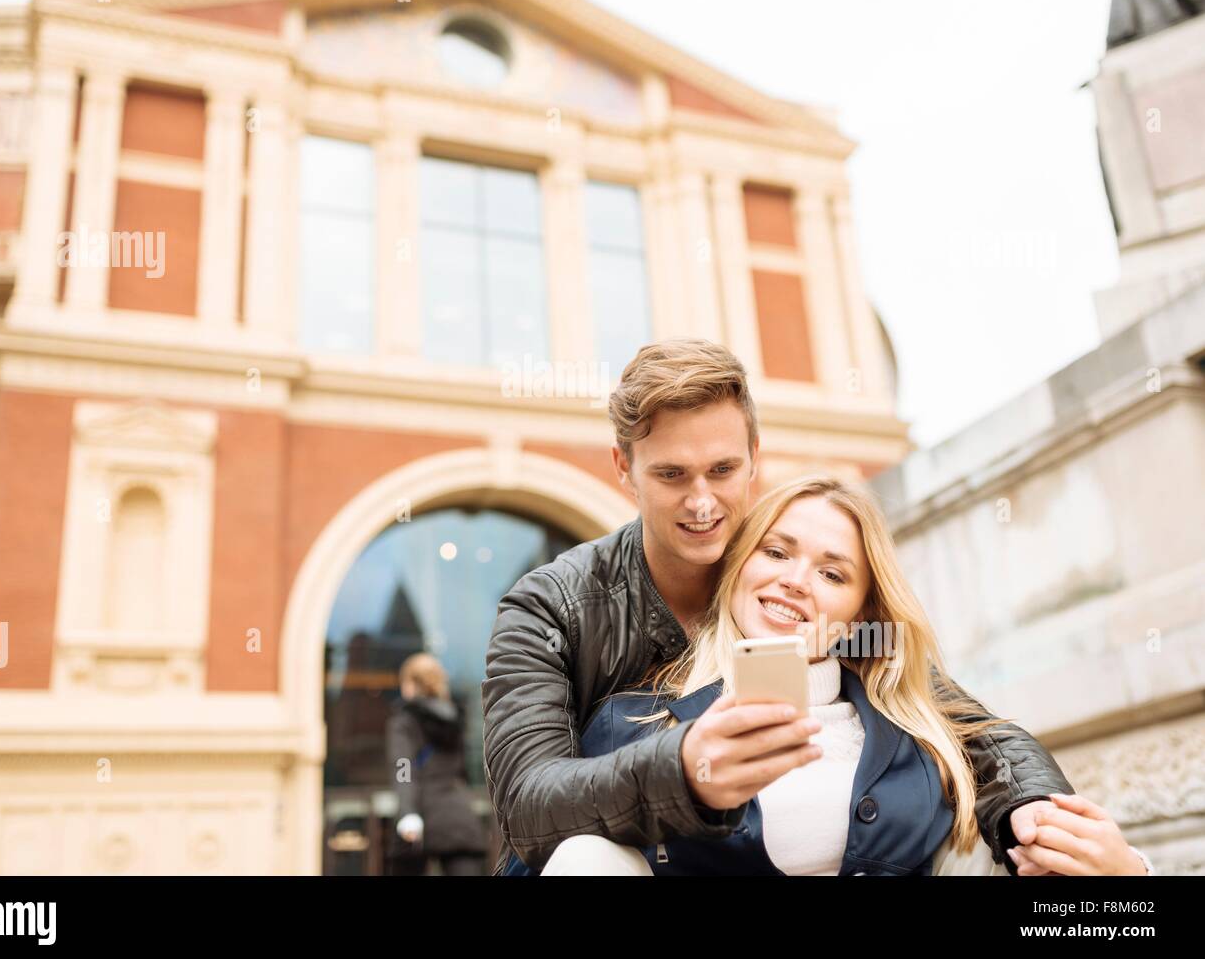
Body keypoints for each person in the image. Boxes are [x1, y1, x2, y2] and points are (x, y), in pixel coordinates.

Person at [482, 338, 1079, 877]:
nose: (702, 503)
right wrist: (685, 769)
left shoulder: (778, 578)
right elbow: (531, 806)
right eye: (671, 474)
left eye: (723, 470)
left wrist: (1035, 814)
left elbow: (958, 723)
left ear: (754, 458)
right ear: (624, 468)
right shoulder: (552, 608)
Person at [521, 475, 1154, 875]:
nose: (795, 580)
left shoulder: (919, 736)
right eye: (776, 552)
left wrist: (1126, 878)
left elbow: (1004, 770)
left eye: (832, 573)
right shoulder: (631, 721)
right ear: (738, 567)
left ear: (860, 613)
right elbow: (543, 837)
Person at [385, 653, 489, 876]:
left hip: (419, 817)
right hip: (460, 819)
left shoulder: (404, 722)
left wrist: (407, 813)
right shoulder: (456, 720)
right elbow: (461, 771)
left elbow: (403, 768)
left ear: (410, 684)